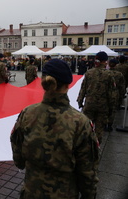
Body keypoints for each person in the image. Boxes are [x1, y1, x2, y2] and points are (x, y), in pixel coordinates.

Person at [10, 59, 99, 199]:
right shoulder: (80, 122)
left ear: (43, 82)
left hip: (31, 191)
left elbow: (18, 155)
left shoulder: (27, 113)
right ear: (68, 84)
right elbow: (87, 171)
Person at [77, 51, 116, 144]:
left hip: (89, 104)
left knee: (87, 127)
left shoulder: (89, 73)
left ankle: (85, 147)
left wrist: (80, 101)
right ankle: (96, 147)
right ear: (105, 61)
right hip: (103, 106)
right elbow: (112, 94)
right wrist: (112, 109)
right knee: (99, 129)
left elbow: (83, 89)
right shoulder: (110, 75)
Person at [107, 59, 126, 131]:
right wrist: (121, 96)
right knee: (112, 111)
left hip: (105, 95)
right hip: (115, 94)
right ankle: (109, 125)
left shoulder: (106, 73)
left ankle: (105, 123)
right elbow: (122, 87)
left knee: (105, 109)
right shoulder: (119, 74)